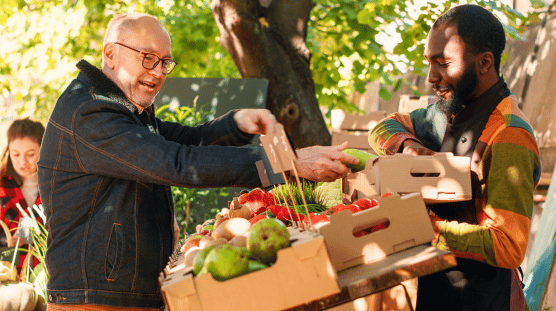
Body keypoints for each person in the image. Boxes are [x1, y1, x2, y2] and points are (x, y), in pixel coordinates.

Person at [38, 12, 358, 310]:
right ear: (110, 53)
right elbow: (176, 162)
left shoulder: (122, 108)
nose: (157, 72)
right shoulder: (91, 113)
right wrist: (283, 163)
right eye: (147, 58)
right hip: (93, 299)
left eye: (165, 62)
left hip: (121, 291)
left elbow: (186, 140)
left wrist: (235, 124)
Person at [369, 4, 540, 311]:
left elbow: (508, 245)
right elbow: (383, 126)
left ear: (485, 62)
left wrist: (423, 227)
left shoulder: (510, 133)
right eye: (428, 63)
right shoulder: (446, 113)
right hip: (436, 290)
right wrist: (407, 145)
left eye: (443, 63)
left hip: (482, 301)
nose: (431, 78)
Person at [0, 117, 45, 275]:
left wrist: (25, 236)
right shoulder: (2, 184)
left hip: (47, 272)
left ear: (44, 149)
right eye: (16, 154)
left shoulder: (54, 184)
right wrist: (7, 241)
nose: (22, 162)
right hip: (7, 272)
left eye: (30, 154)